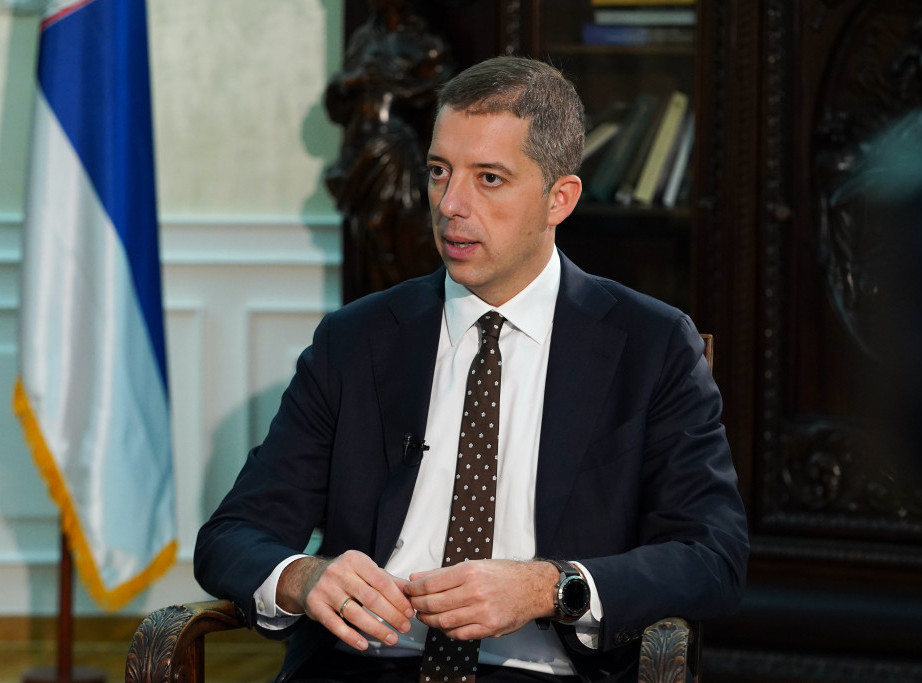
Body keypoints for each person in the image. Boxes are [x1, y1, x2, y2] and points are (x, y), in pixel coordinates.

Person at [194, 56, 749, 682]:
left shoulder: (650, 345)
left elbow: (713, 557)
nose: (451, 204)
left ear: (559, 199)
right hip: (364, 668)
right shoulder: (356, 340)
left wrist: (550, 587)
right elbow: (233, 535)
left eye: (489, 178)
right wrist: (305, 577)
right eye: (439, 171)